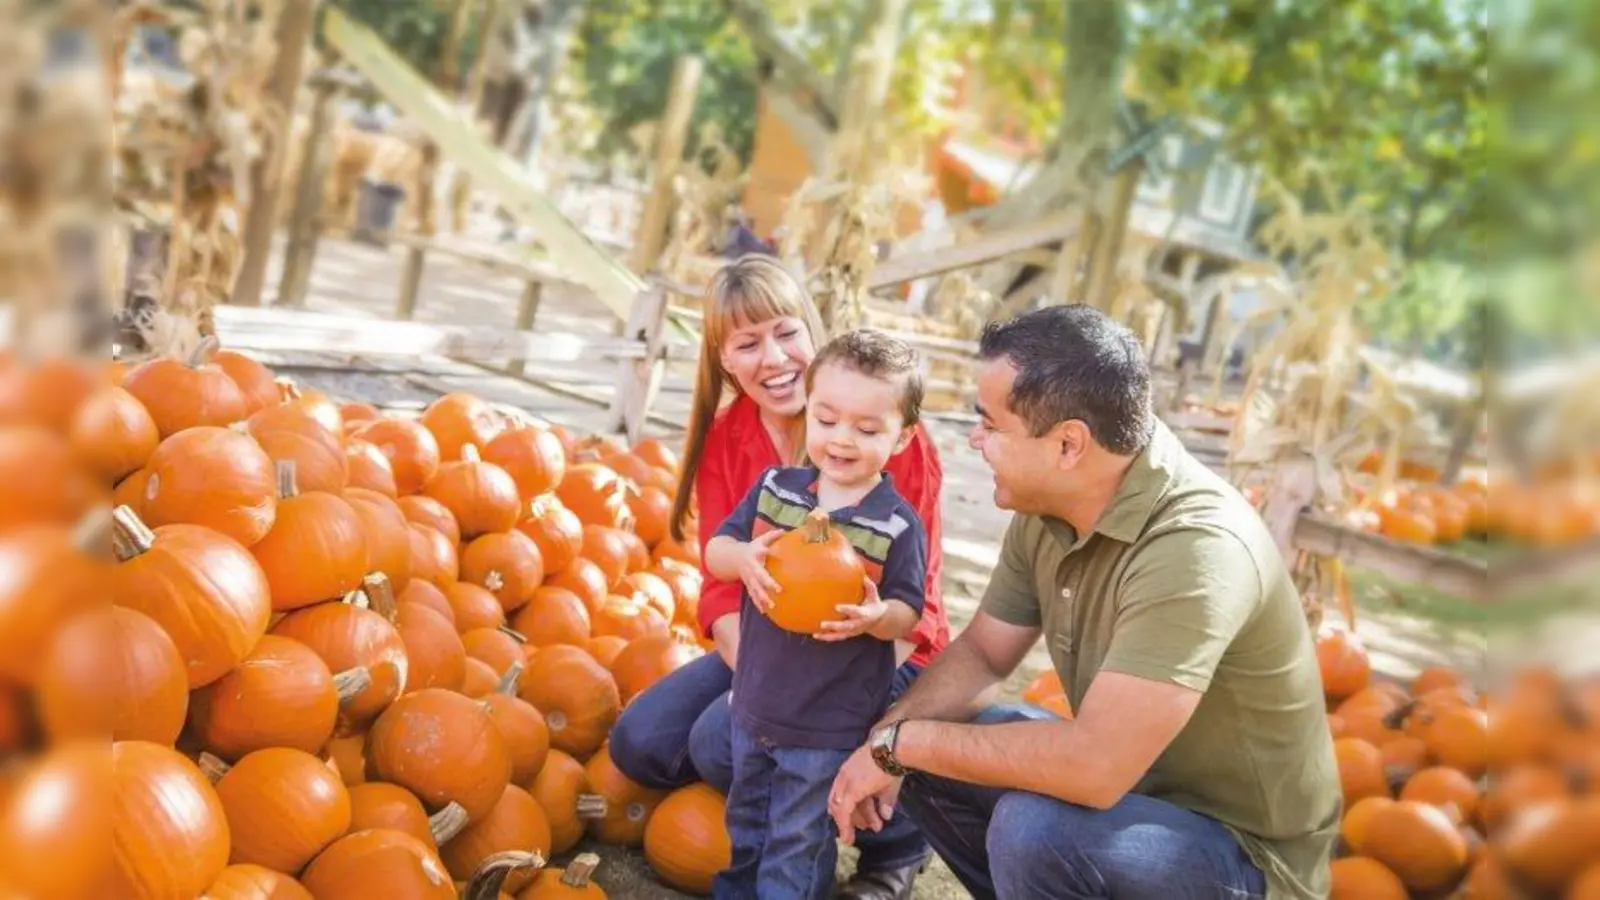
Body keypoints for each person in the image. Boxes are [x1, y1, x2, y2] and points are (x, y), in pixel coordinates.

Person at [827, 305, 1342, 900]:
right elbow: (986, 656)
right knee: (911, 712)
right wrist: (889, 738)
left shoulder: (1197, 550)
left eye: (990, 424)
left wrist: (901, 748)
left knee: (1030, 827)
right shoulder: (1051, 500)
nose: (975, 439)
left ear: (1069, 443)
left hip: (1244, 859)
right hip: (1129, 799)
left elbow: (1093, 770)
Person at [607, 255, 950, 898]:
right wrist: (759, 684)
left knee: (721, 741)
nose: (774, 357)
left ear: (812, 332)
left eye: (786, 332)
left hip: (875, 650)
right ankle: (776, 794)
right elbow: (719, 578)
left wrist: (847, 715)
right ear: (724, 361)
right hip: (766, 641)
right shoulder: (732, 441)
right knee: (645, 741)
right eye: (748, 343)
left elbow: (916, 609)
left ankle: (894, 840)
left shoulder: (886, 437)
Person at [707, 330, 929, 899]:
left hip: (827, 724)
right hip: (755, 704)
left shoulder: (896, 524)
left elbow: (909, 611)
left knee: (796, 844)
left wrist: (877, 616)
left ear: (902, 437)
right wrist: (744, 557)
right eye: (827, 420)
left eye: (867, 428)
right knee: (747, 828)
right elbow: (716, 550)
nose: (841, 440)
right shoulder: (776, 490)